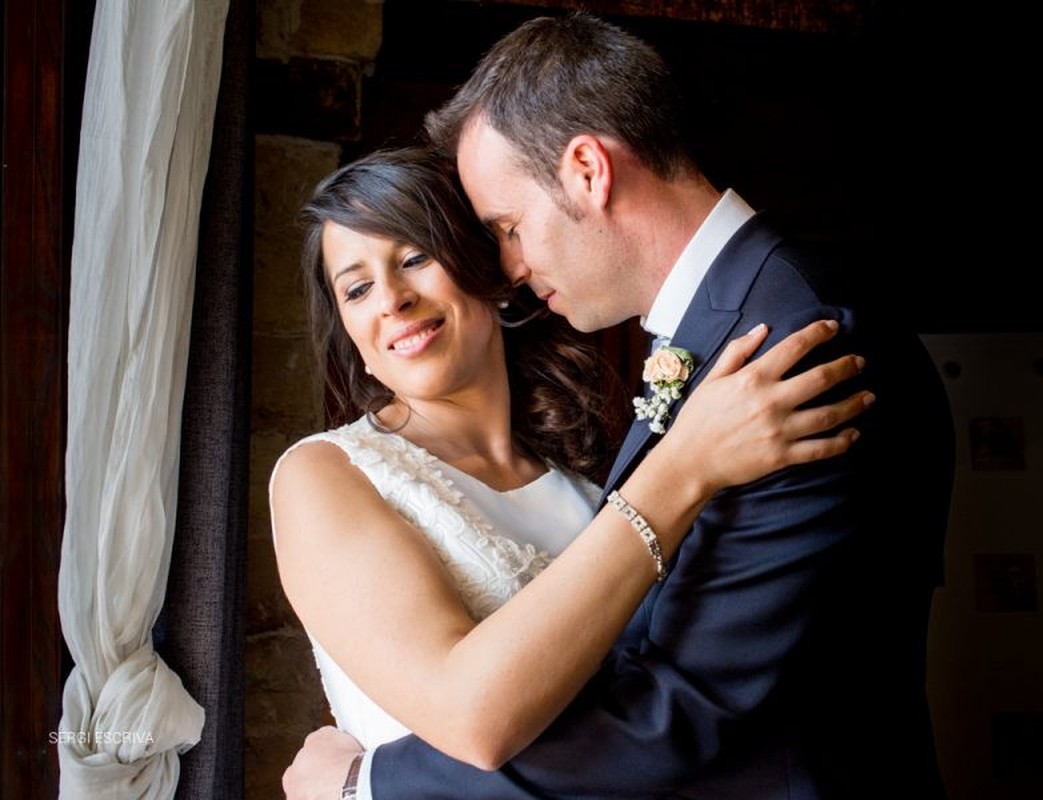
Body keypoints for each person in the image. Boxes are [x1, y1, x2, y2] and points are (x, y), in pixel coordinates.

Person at [286, 11, 956, 799]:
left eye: (506, 227)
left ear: (587, 171)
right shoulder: (733, 330)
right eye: (355, 287)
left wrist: (367, 788)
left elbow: (679, 706)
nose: (511, 260)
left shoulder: (793, 343)